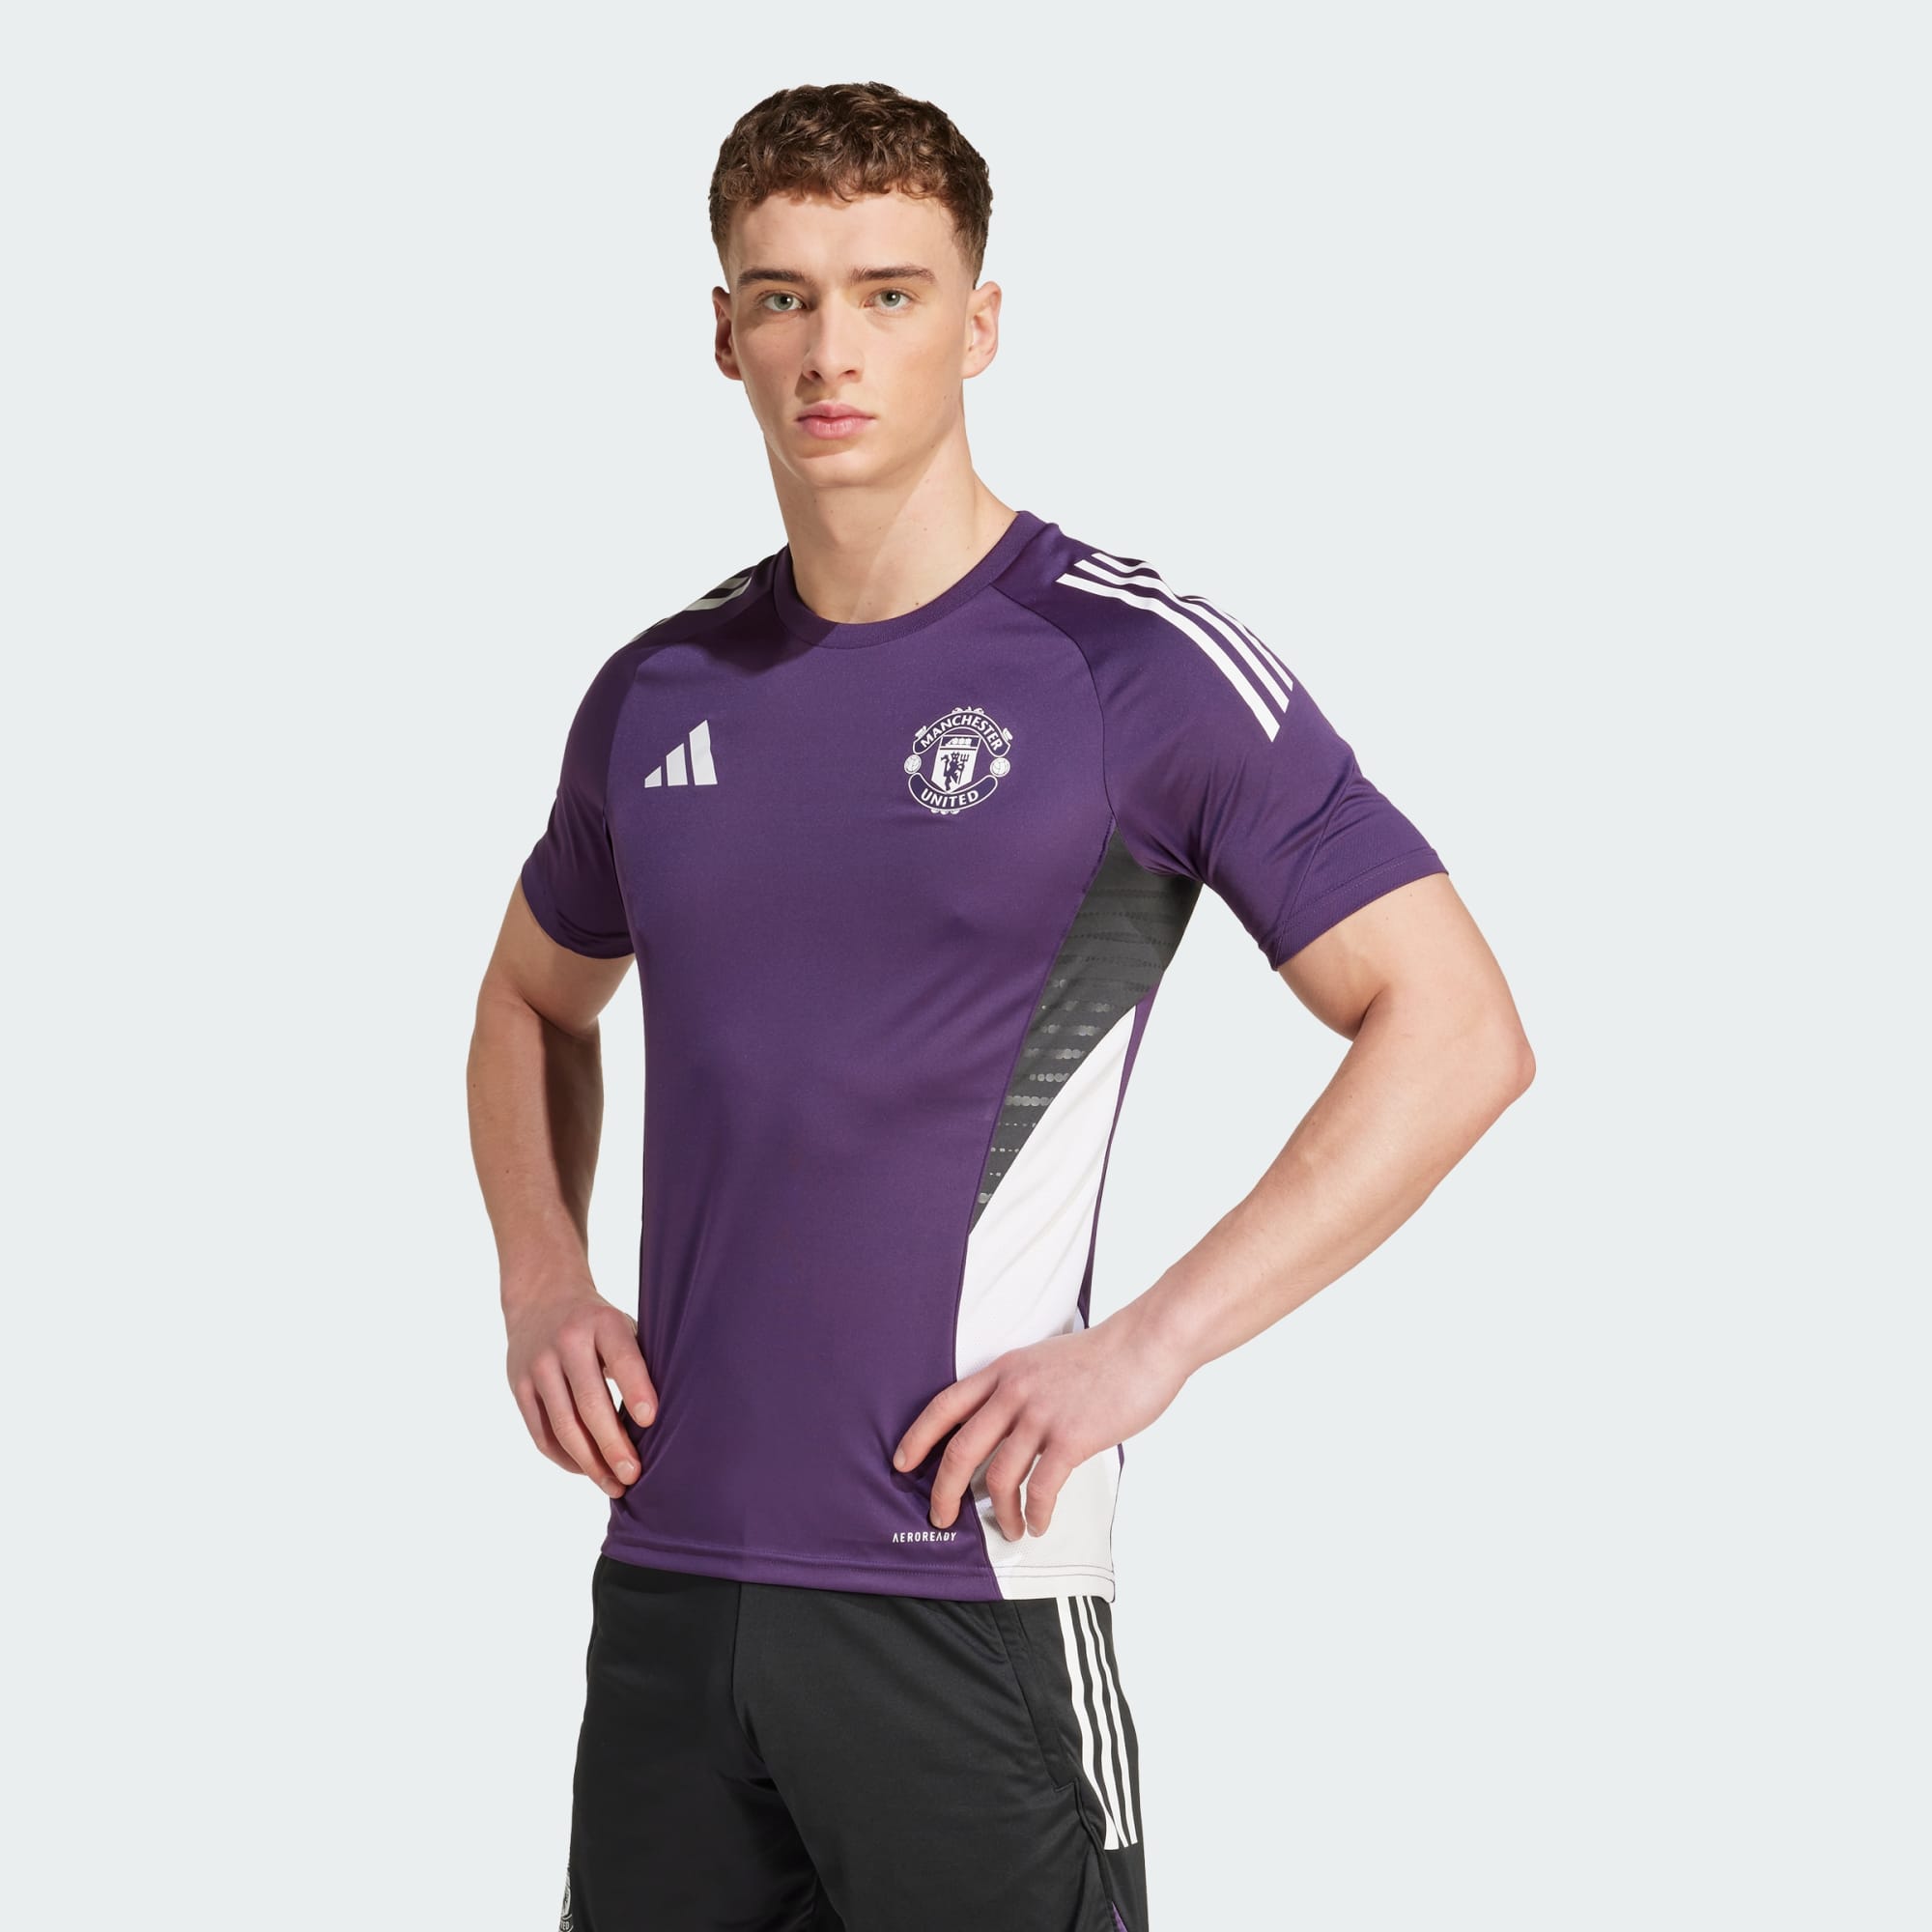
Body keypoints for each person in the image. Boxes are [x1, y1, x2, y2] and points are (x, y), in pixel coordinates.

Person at [466, 78, 1534, 1932]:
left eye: (889, 292)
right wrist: (541, 1279)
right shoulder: (656, 691)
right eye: (785, 297)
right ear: (722, 334)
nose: (832, 349)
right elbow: (529, 1002)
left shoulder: (1130, 670)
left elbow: (1455, 1028)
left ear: (978, 322)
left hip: (967, 1593)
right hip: (673, 1592)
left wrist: (1153, 1347)